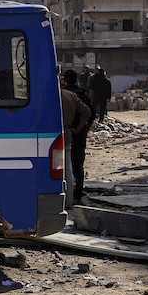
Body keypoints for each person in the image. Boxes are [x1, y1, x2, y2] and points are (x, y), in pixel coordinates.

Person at [60, 71, 91, 206]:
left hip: (47, 135)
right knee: (69, 168)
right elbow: (88, 112)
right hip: (68, 134)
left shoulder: (47, 95)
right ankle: (70, 200)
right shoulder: (72, 95)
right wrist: (79, 129)